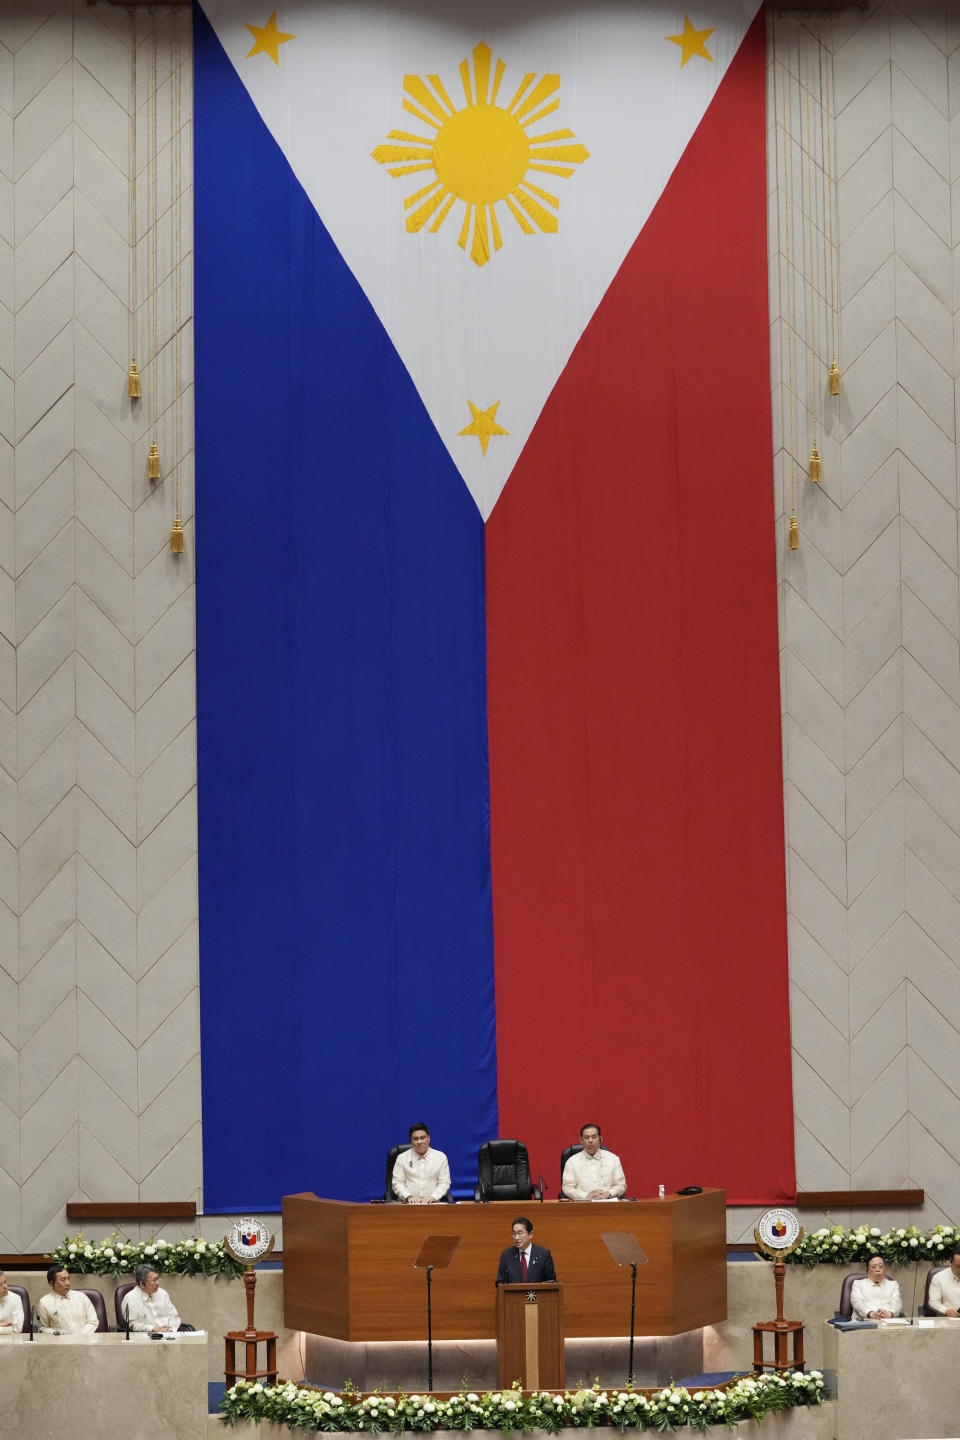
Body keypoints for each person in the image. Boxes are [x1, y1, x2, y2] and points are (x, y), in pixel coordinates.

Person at [561, 1123, 627, 1201]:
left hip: (608, 1204)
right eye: (586, 1137)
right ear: (581, 1140)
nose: (590, 1140)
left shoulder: (613, 1159)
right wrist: (586, 1196)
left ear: (601, 1139)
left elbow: (621, 1185)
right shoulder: (572, 1162)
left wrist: (608, 1193)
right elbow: (567, 1188)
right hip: (582, 1206)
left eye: (594, 1137)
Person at [391, 1122, 451, 1204]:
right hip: (408, 1204)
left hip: (432, 1204)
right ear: (411, 1142)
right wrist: (409, 1196)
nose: (419, 1142)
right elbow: (397, 1183)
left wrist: (433, 1197)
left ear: (429, 1138)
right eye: (415, 1139)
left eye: (423, 1138)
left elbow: (444, 1182)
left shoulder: (440, 1157)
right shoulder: (402, 1158)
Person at [36, 1266, 99, 1333]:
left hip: (85, 1339)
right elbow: (43, 1327)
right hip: (59, 1341)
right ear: (51, 1284)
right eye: (63, 1280)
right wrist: (55, 1333)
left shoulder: (81, 1296)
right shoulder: (44, 1302)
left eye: (68, 1279)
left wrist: (80, 1336)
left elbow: (93, 1321)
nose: (68, 1283)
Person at [496, 1216, 557, 1284]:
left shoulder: (543, 1254)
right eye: (514, 1233)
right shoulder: (506, 1255)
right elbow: (500, 1283)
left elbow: (552, 1282)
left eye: (520, 1233)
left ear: (530, 1234)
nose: (516, 1237)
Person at [122, 1264, 181, 1333]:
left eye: (158, 1279)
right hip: (146, 1338)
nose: (158, 1283)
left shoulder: (162, 1293)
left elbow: (174, 1316)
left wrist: (171, 1329)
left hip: (170, 1335)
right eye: (154, 1280)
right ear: (142, 1284)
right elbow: (132, 1324)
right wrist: (152, 1329)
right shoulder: (130, 1298)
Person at [850, 1255, 902, 1320]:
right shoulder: (858, 1284)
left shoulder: (893, 1284)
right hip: (864, 1322)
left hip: (888, 1321)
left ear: (885, 1269)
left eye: (881, 1266)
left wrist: (890, 1314)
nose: (877, 1269)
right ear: (867, 1270)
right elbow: (857, 1302)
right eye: (873, 1267)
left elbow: (896, 1301)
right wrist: (871, 1314)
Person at [927, 1246, 960, 1317]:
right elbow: (933, 1302)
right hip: (947, 1320)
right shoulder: (938, 1277)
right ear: (951, 1262)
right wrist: (946, 1310)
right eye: (958, 1266)